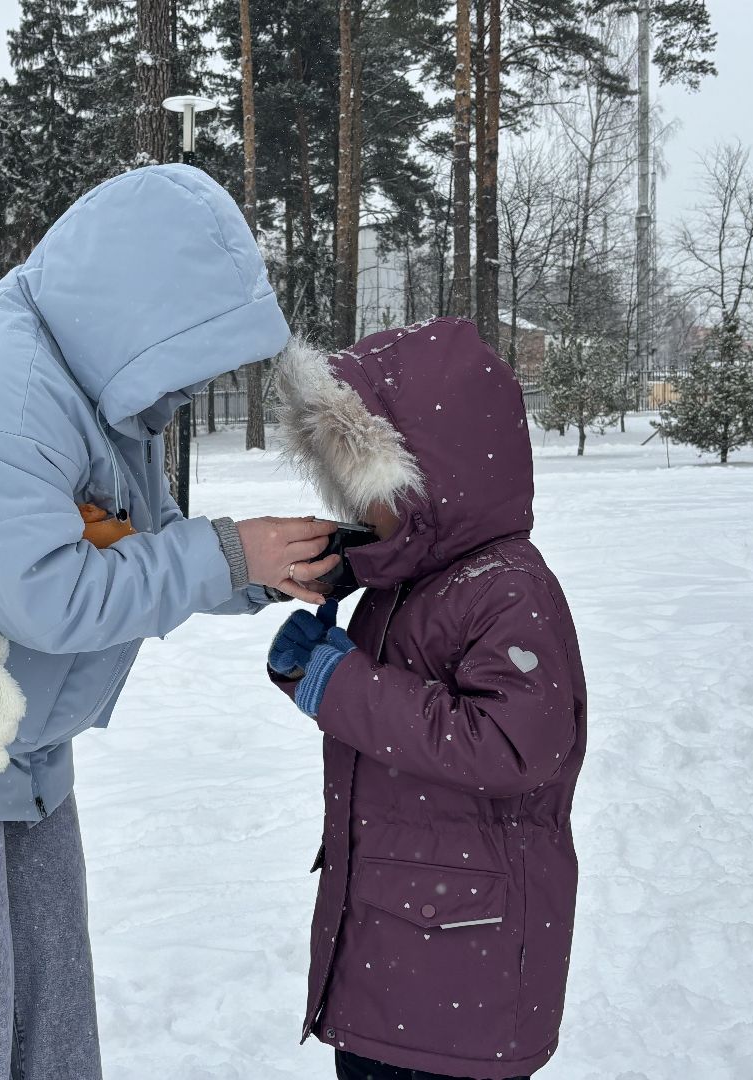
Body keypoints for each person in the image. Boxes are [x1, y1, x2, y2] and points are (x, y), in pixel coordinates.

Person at [0, 163, 338, 1080]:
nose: (197, 384)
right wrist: (231, 554)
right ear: (144, 312)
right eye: (197, 350)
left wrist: (270, 572)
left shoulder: (98, 385)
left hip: (14, 747)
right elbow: (48, 594)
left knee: (52, 1026)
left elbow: (141, 544)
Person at [266, 317, 587, 1080]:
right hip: (395, 954)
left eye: (364, 486)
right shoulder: (411, 583)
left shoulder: (507, 588)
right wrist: (340, 587)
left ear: (430, 476)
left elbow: (513, 744)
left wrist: (337, 684)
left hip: (459, 974)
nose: (353, 504)